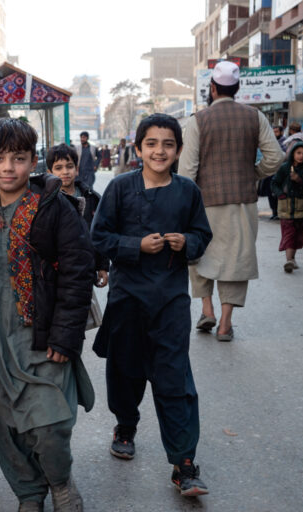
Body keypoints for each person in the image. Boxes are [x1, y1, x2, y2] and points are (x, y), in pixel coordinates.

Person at [0, 118, 96, 512]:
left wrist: (65, 337)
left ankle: (60, 482)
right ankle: (28, 494)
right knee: (10, 429)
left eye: (19, 158)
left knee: (50, 425)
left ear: (34, 161)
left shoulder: (54, 207)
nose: (8, 167)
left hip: (42, 338)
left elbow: (78, 273)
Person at [92, 113, 213, 498]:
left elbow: (202, 234)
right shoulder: (120, 187)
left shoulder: (187, 191)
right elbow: (99, 237)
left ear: (178, 150)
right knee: (125, 370)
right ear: (139, 148)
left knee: (174, 378)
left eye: (168, 144)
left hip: (171, 301)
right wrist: (134, 246)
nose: (160, 151)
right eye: (152, 143)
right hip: (127, 298)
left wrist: (187, 243)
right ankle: (125, 425)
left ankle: (184, 463)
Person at [178, 60, 284, 342]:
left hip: (204, 202)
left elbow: (187, 170)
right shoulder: (255, 117)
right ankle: (225, 324)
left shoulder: (198, 120)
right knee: (236, 258)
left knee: (198, 253)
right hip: (243, 202)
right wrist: (254, 174)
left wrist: (182, 203)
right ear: (237, 88)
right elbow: (275, 157)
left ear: (212, 88)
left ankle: (207, 308)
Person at [46, 143, 109, 287]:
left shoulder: (91, 198)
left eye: (69, 166)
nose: (65, 172)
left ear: (77, 169)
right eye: (58, 168)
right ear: (50, 172)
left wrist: (103, 267)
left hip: (85, 271)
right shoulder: (46, 202)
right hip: (57, 273)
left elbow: (101, 232)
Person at [271, 142, 303, 273]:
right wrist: (280, 195)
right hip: (286, 208)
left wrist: (299, 180)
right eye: (298, 153)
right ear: (293, 154)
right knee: (289, 233)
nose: (301, 156)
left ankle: (292, 259)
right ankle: (289, 260)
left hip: (300, 208)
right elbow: (274, 183)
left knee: (297, 235)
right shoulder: (285, 168)